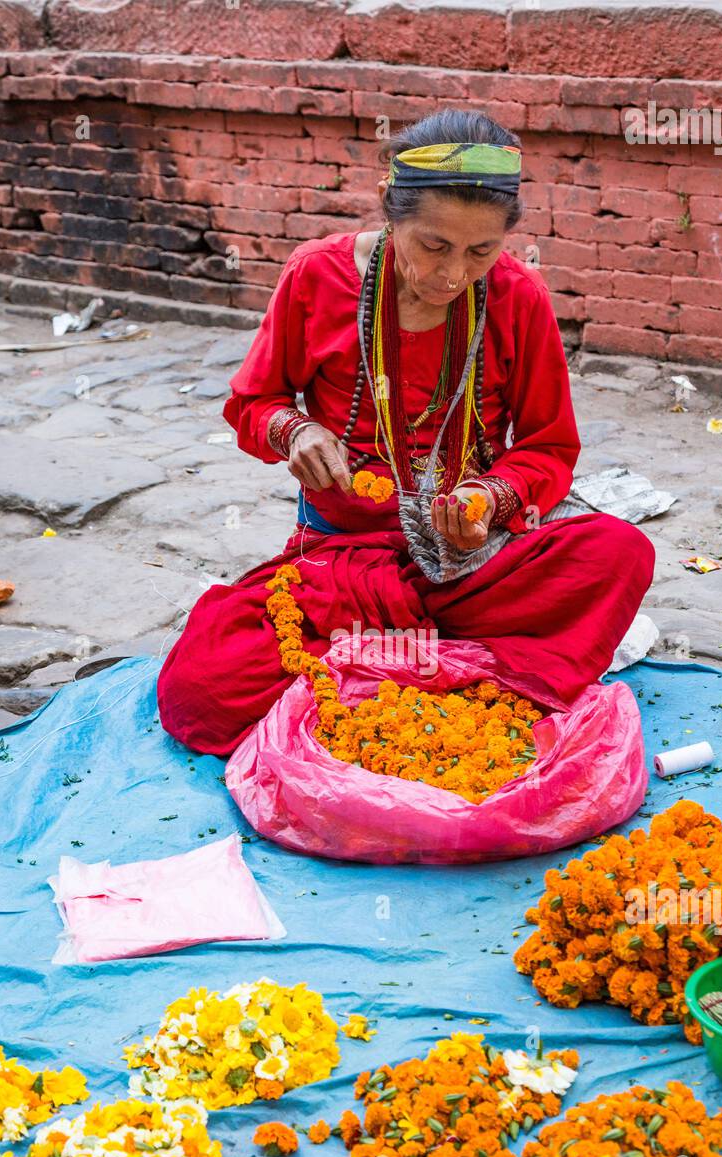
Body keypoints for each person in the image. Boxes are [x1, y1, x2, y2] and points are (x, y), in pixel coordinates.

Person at [157, 108, 654, 756]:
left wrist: (488, 500)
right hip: (343, 561)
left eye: (481, 251)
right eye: (433, 246)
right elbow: (255, 400)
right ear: (391, 214)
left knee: (617, 553)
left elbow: (548, 446)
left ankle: (405, 654)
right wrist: (295, 431)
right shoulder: (317, 274)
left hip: (469, 562)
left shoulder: (518, 295)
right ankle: (454, 659)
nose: (453, 275)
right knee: (199, 688)